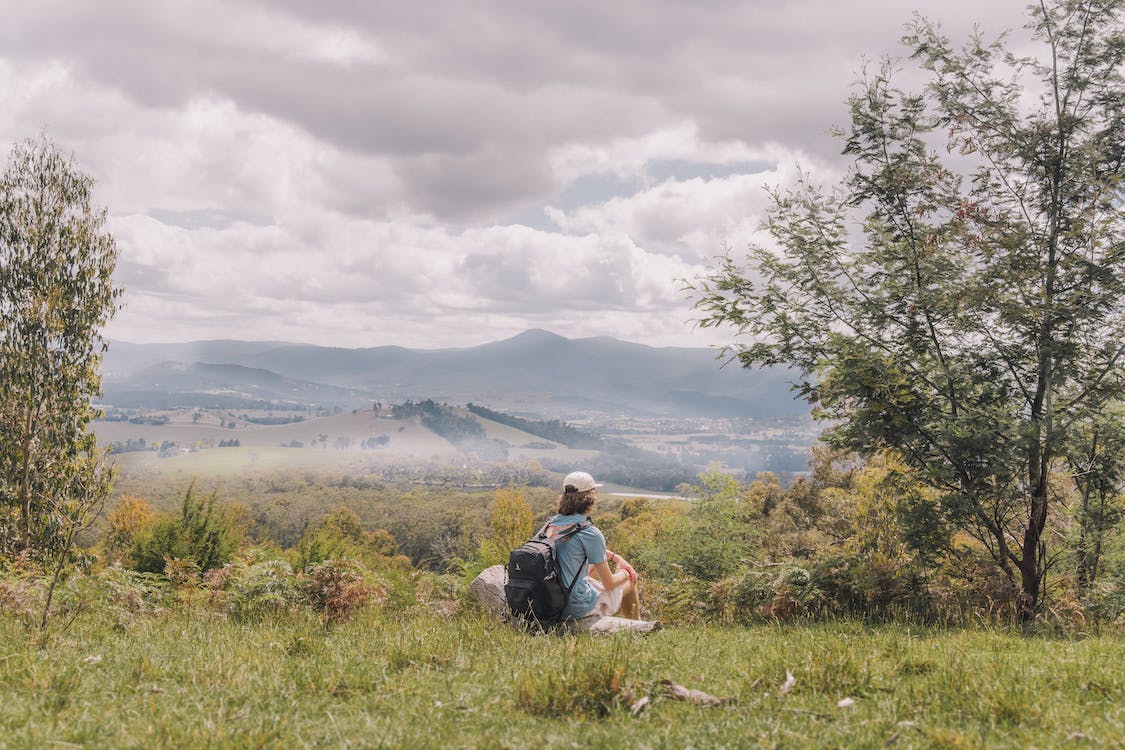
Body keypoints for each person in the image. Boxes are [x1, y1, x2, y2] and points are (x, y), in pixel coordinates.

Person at [547, 470, 640, 620]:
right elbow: (609, 583)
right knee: (629, 581)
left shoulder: (551, 524)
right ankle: (637, 627)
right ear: (590, 500)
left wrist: (615, 557)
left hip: (552, 601)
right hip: (576, 608)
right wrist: (626, 572)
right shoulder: (590, 533)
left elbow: (579, 548)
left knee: (589, 569)